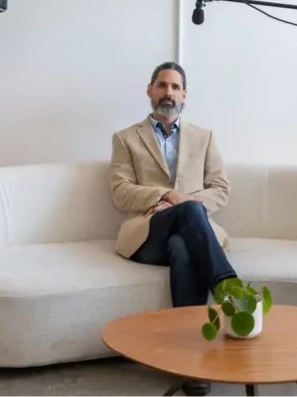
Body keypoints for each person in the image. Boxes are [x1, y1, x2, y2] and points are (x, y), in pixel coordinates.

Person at [108, 61, 237, 397]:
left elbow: (220, 188)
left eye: (175, 87)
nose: (169, 92)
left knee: (184, 247)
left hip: (188, 234)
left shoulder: (204, 137)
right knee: (187, 211)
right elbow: (120, 192)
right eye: (162, 85)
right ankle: (230, 289)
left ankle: (191, 363)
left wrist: (186, 205)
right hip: (148, 232)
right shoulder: (125, 138)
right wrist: (166, 195)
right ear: (150, 91)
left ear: (185, 96)